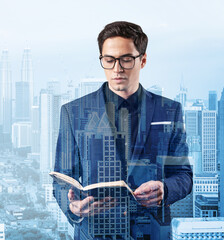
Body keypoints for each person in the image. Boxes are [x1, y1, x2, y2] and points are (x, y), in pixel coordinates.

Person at [53, 21, 193, 239]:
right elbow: (61, 180)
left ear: (142, 60)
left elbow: (183, 175)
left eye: (126, 59)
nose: (117, 69)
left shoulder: (169, 111)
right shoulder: (74, 112)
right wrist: (73, 207)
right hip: (95, 232)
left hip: (152, 232)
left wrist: (165, 189)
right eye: (109, 60)